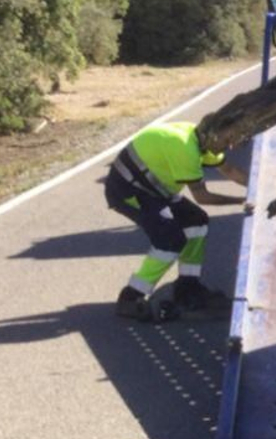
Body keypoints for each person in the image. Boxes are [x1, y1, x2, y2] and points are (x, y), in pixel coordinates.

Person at [104, 120, 249, 321]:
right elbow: (203, 197)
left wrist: (261, 188)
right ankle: (130, 297)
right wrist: (243, 200)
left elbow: (230, 171)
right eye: (228, 140)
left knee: (196, 221)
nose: (231, 145)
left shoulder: (201, 138)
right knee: (169, 239)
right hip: (128, 191)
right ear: (214, 136)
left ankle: (187, 286)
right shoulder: (186, 149)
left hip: (155, 190)